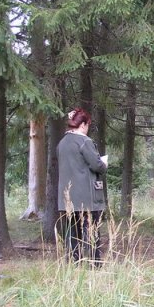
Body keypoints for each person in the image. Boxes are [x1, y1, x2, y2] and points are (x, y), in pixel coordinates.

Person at [57, 108, 108, 265]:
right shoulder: (85, 142)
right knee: (91, 231)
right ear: (83, 124)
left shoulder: (62, 143)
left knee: (73, 233)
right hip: (87, 197)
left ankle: (75, 262)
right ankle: (94, 263)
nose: (87, 128)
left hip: (67, 198)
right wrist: (104, 164)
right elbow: (97, 165)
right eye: (88, 125)